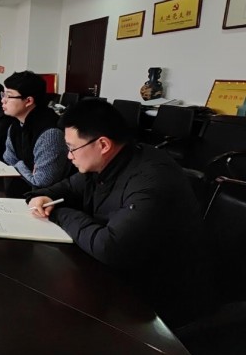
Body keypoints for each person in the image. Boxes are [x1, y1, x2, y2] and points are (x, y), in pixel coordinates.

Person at [28, 99, 211, 327]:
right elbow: (66, 188)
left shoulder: (151, 179)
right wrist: (43, 197)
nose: (69, 156)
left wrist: (58, 213)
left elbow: (110, 247)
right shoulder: (108, 162)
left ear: (103, 145)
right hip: (119, 274)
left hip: (157, 302)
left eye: (72, 148)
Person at [1, 71, 69, 187]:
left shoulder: (50, 134)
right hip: (23, 187)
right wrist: (26, 169)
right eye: (3, 94)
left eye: (9, 96)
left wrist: (19, 165)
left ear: (28, 101)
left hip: (46, 196)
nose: (3, 100)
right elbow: (8, 161)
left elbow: (41, 181)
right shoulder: (16, 125)